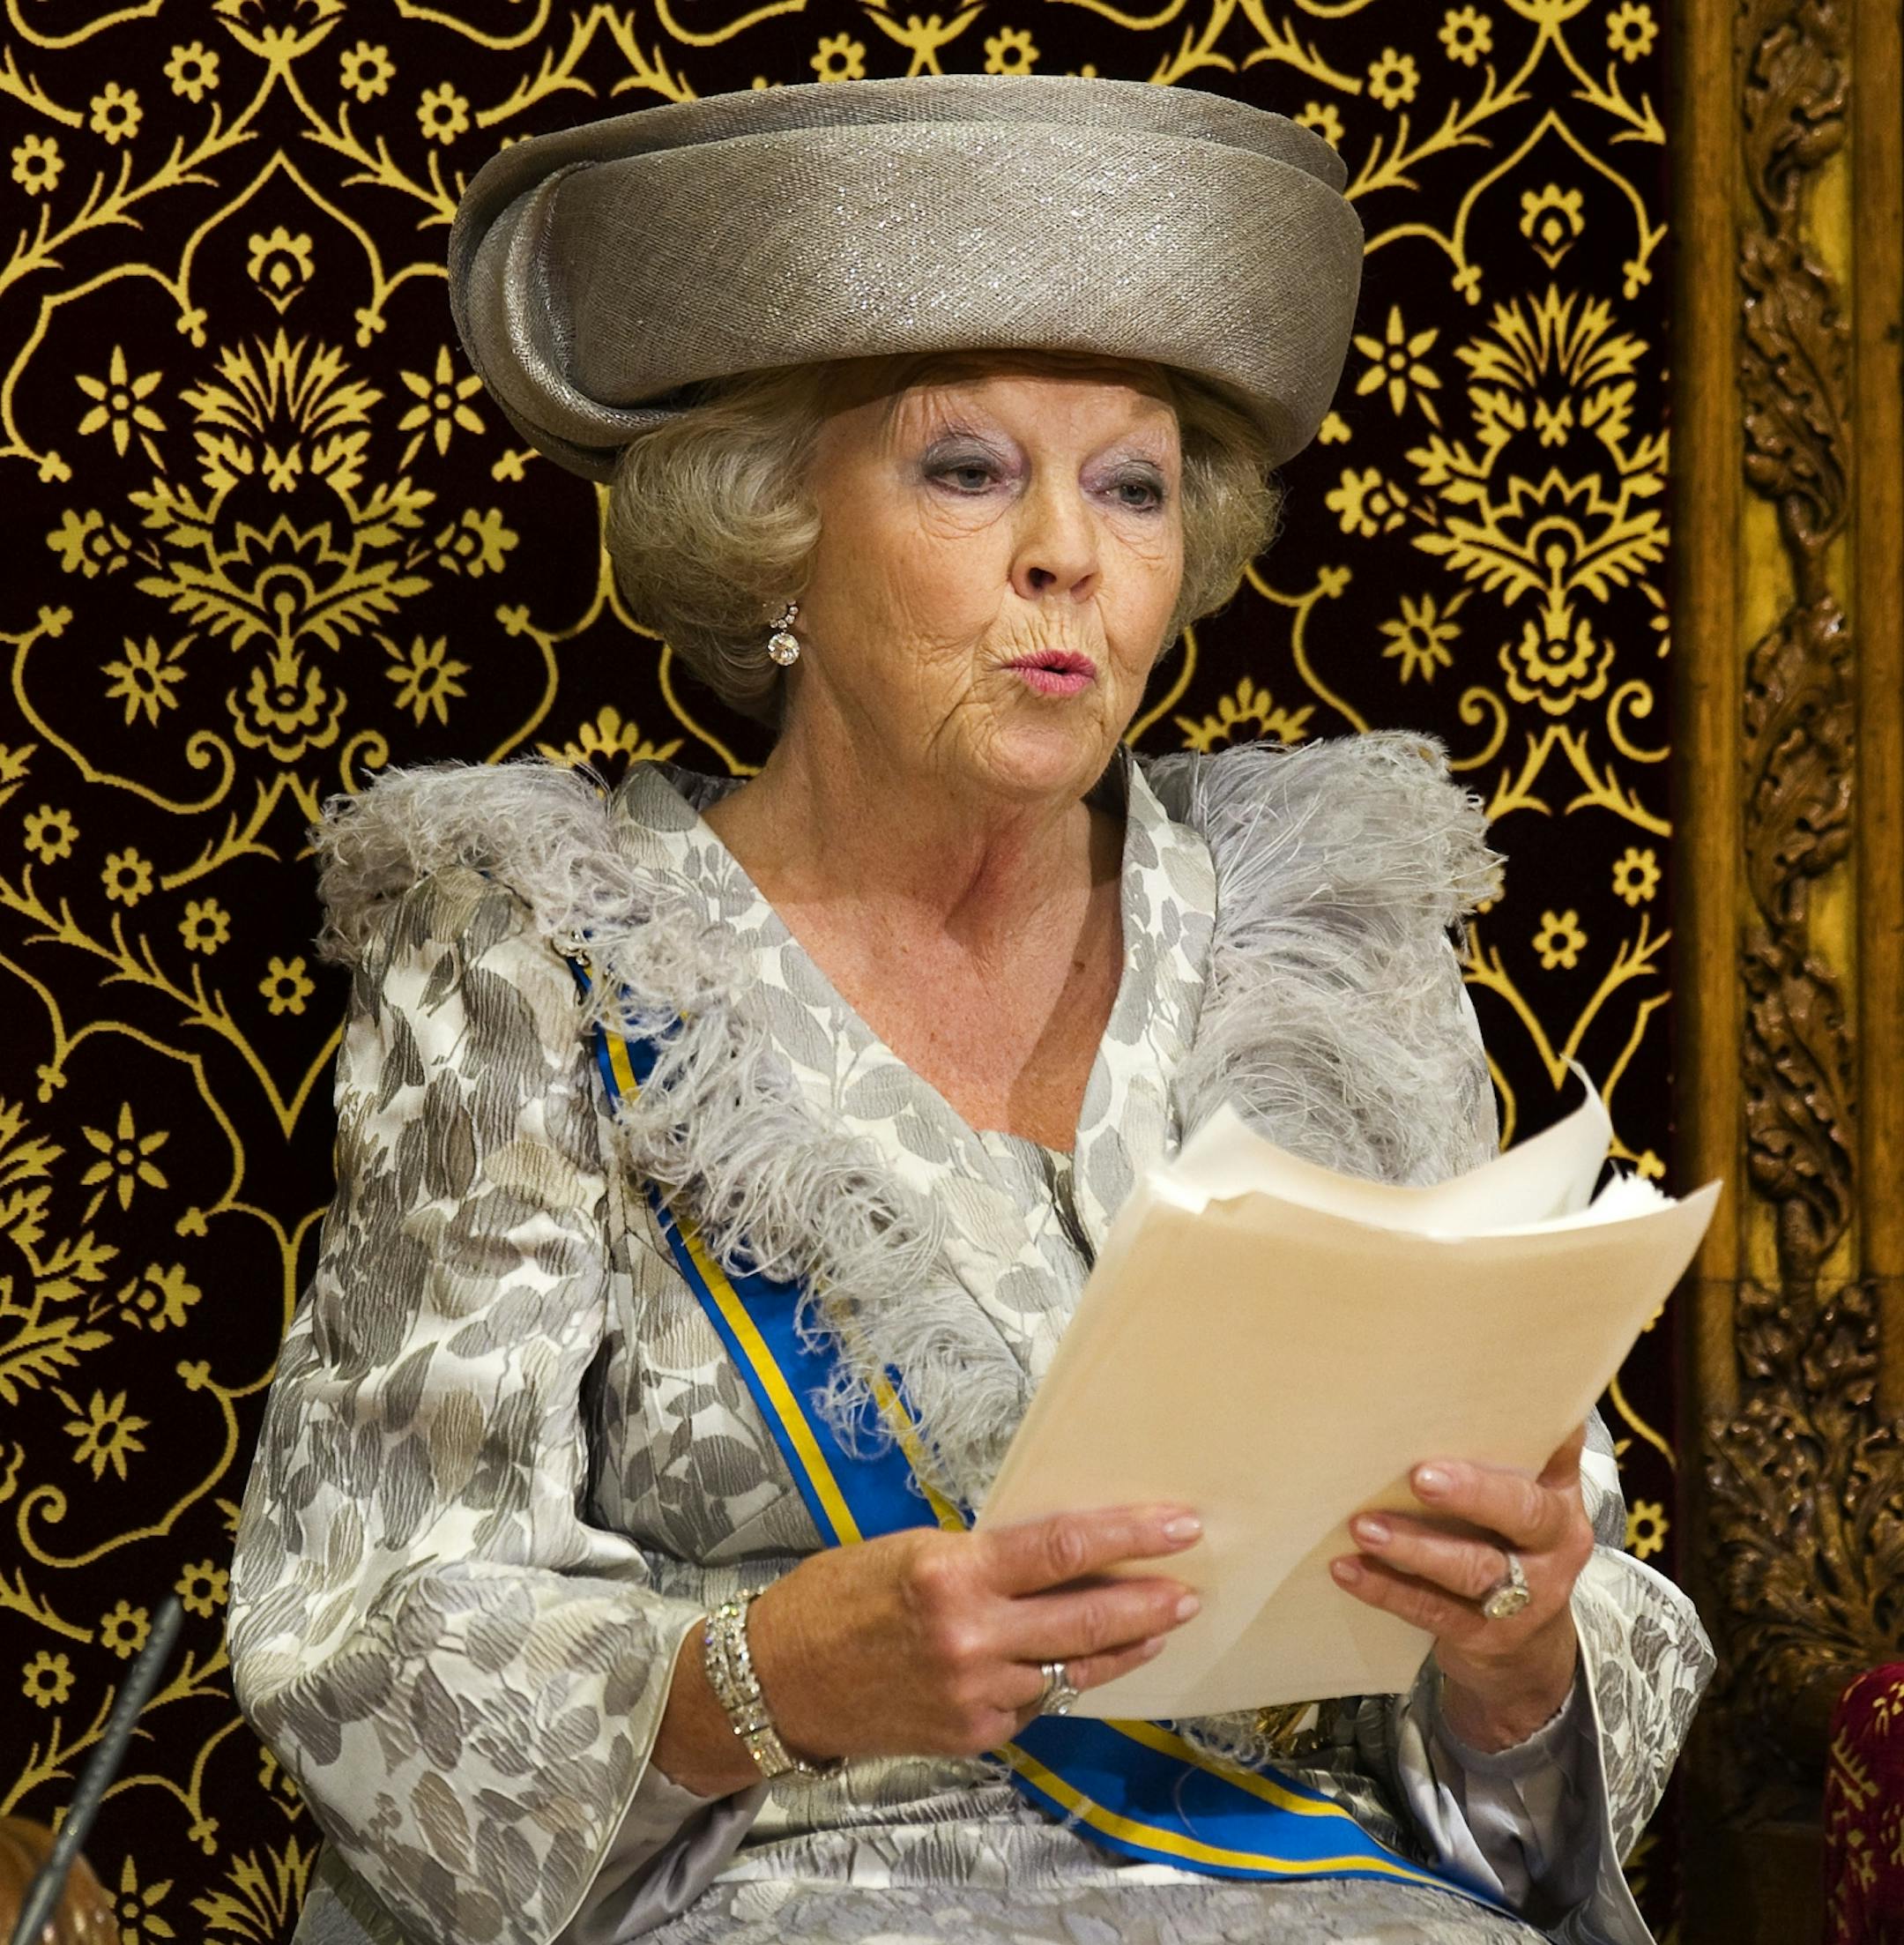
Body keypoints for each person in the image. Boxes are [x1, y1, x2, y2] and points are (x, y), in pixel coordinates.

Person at [227, 75, 1712, 1945]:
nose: (1068, 555)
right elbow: (365, 1635)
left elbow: (1571, 1597)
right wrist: (763, 1673)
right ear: (776, 530)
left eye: (1132, 485)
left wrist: (1514, 1649)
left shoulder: (1321, 942)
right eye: (968, 471)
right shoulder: (546, 952)